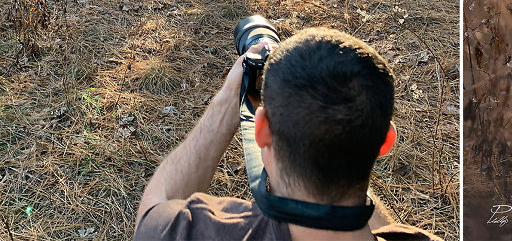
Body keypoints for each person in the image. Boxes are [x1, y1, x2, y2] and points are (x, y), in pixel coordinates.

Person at [134, 28, 441, 241]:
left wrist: (232, 96)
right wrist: (349, 150)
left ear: (262, 129)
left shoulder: (203, 231)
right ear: (385, 141)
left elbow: (155, 209)